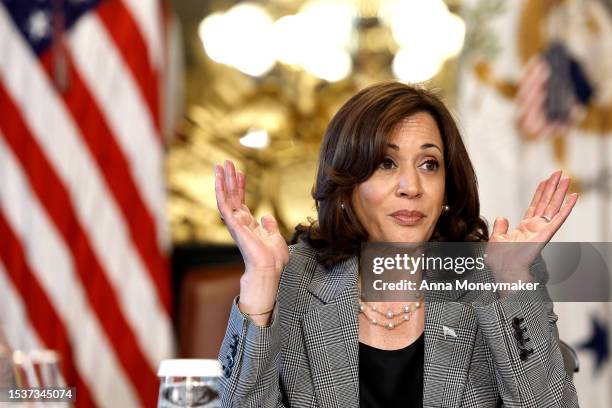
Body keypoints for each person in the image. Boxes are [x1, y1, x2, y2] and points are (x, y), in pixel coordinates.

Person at [213, 82, 579, 407]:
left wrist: (512, 278)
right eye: (386, 163)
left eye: (429, 164)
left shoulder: (489, 277)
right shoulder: (292, 280)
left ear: (447, 189)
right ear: (347, 183)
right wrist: (259, 283)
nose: (411, 186)